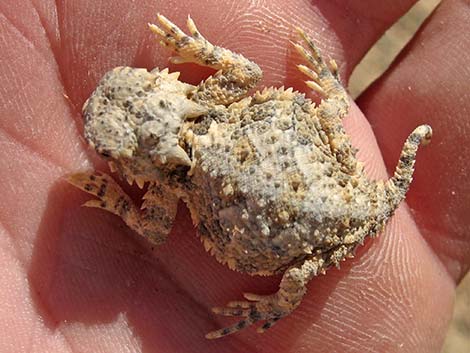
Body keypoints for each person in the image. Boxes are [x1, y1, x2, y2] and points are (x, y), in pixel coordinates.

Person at [0, 1, 468, 352]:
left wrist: (115, 199)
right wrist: (197, 50)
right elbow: (246, 69)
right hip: (313, 184)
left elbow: (152, 227)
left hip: (315, 218)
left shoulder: (164, 186)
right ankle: (334, 101)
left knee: (301, 270)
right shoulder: (207, 99)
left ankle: (278, 306)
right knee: (305, 246)